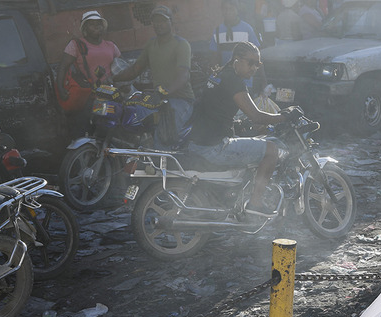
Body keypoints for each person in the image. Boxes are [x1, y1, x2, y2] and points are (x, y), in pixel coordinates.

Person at [186, 41, 291, 216]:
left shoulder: (219, 75)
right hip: (214, 147)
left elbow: (216, 111)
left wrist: (239, 124)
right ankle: (255, 204)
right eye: (250, 62)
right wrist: (285, 116)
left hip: (199, 141)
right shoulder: (234, 81)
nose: (254, 68)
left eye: (258, 64)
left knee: (259, 139)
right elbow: (256, 116)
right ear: (237, 59)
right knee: (271, 150)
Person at [112, 5, 195, 139]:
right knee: (131, 121)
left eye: (162, 21)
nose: (158, 24)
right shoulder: (151, 44)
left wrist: (164, 92)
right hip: (158, 99)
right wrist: (113, 79)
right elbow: (135, 70)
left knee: (163, 138)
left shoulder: (181, 44)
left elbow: (183, 76)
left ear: (171, 22)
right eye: (155, 21)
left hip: (180, 99)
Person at [56, 10, 121, 137]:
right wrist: (60, 88)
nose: (96, 26)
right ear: (85, 28)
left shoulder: (111, 46)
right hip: (88, 99)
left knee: (108, 132)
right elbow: (62, 68)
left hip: (109, 98)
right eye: (92, 24)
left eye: (99, 24)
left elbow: (121, 67)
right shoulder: (75, 45)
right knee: (84, 133)